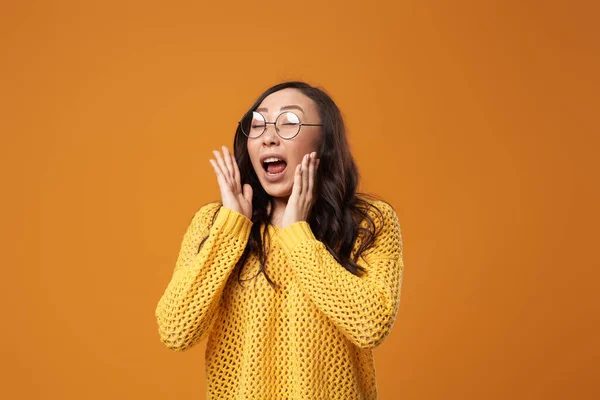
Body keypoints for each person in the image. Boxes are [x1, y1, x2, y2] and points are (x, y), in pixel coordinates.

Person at [155, 81, 405, 399]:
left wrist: (298, 234)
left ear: (324, 140)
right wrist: (232, 226)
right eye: (258, 125)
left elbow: (369, 325)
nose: (269, 136)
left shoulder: (368, 222)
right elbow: (177, 329)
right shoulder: (213, 224)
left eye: (289, 122)